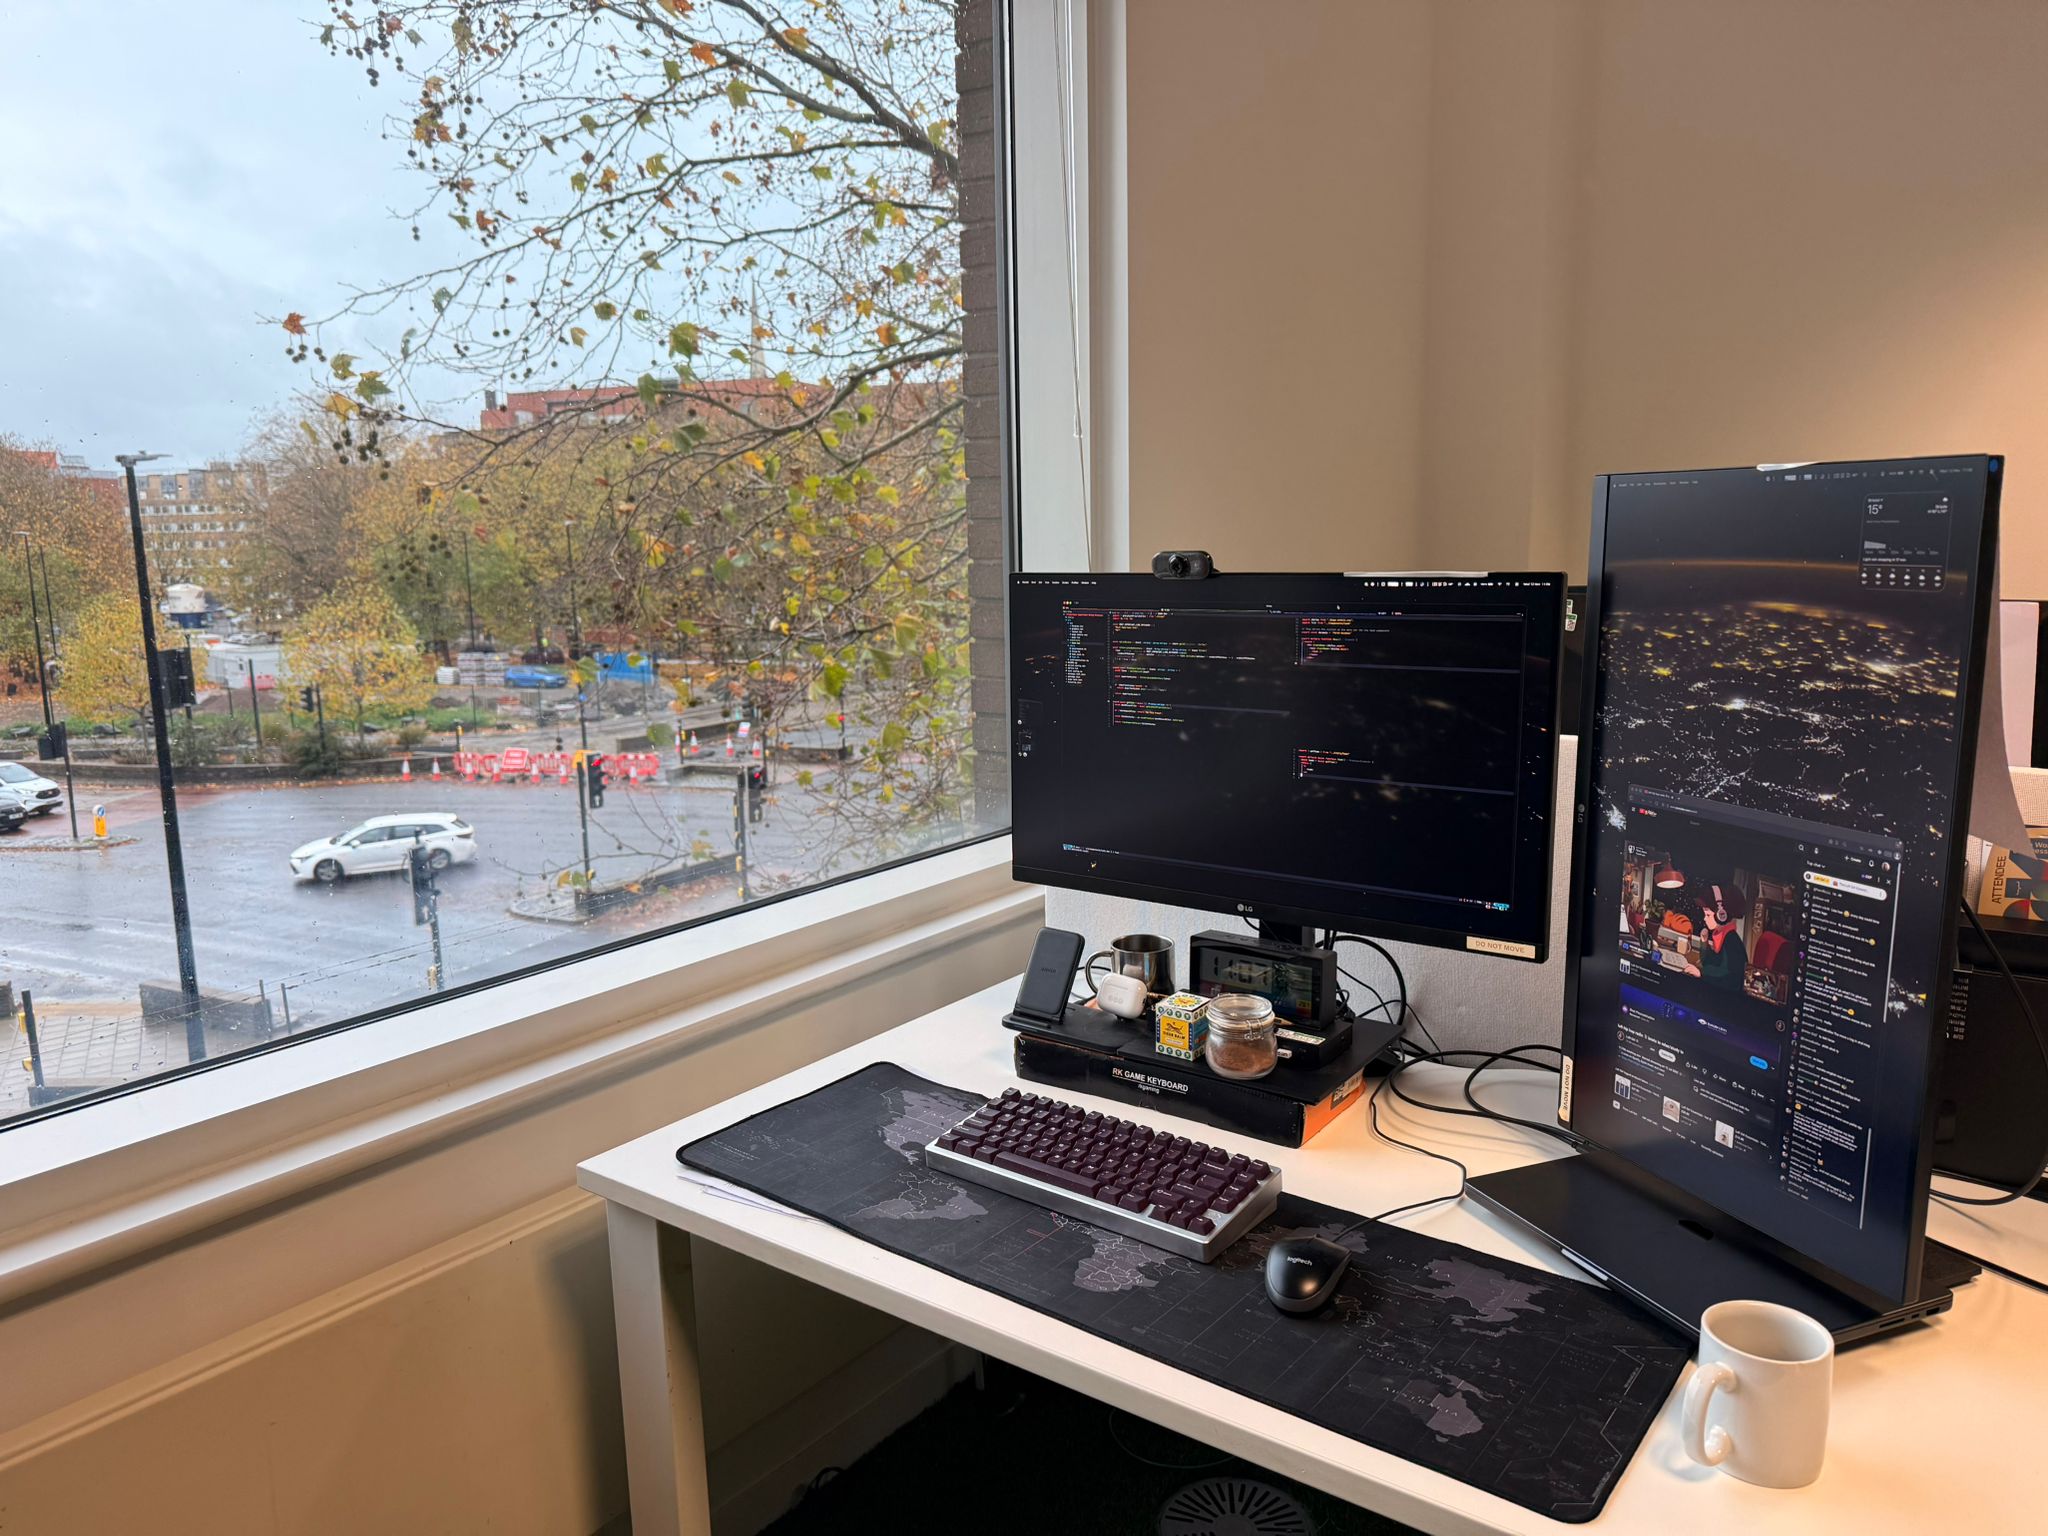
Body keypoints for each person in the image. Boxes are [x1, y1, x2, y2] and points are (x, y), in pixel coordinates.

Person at [1694, 878, 1748, 992]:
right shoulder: (1721, 936)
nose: (1705, 918)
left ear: (1721, 915)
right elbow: (1709, 963)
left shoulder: (1732, 942)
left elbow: (1730, 979)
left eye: (1708, 915)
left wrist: (1701, 974)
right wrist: (1704, 943)